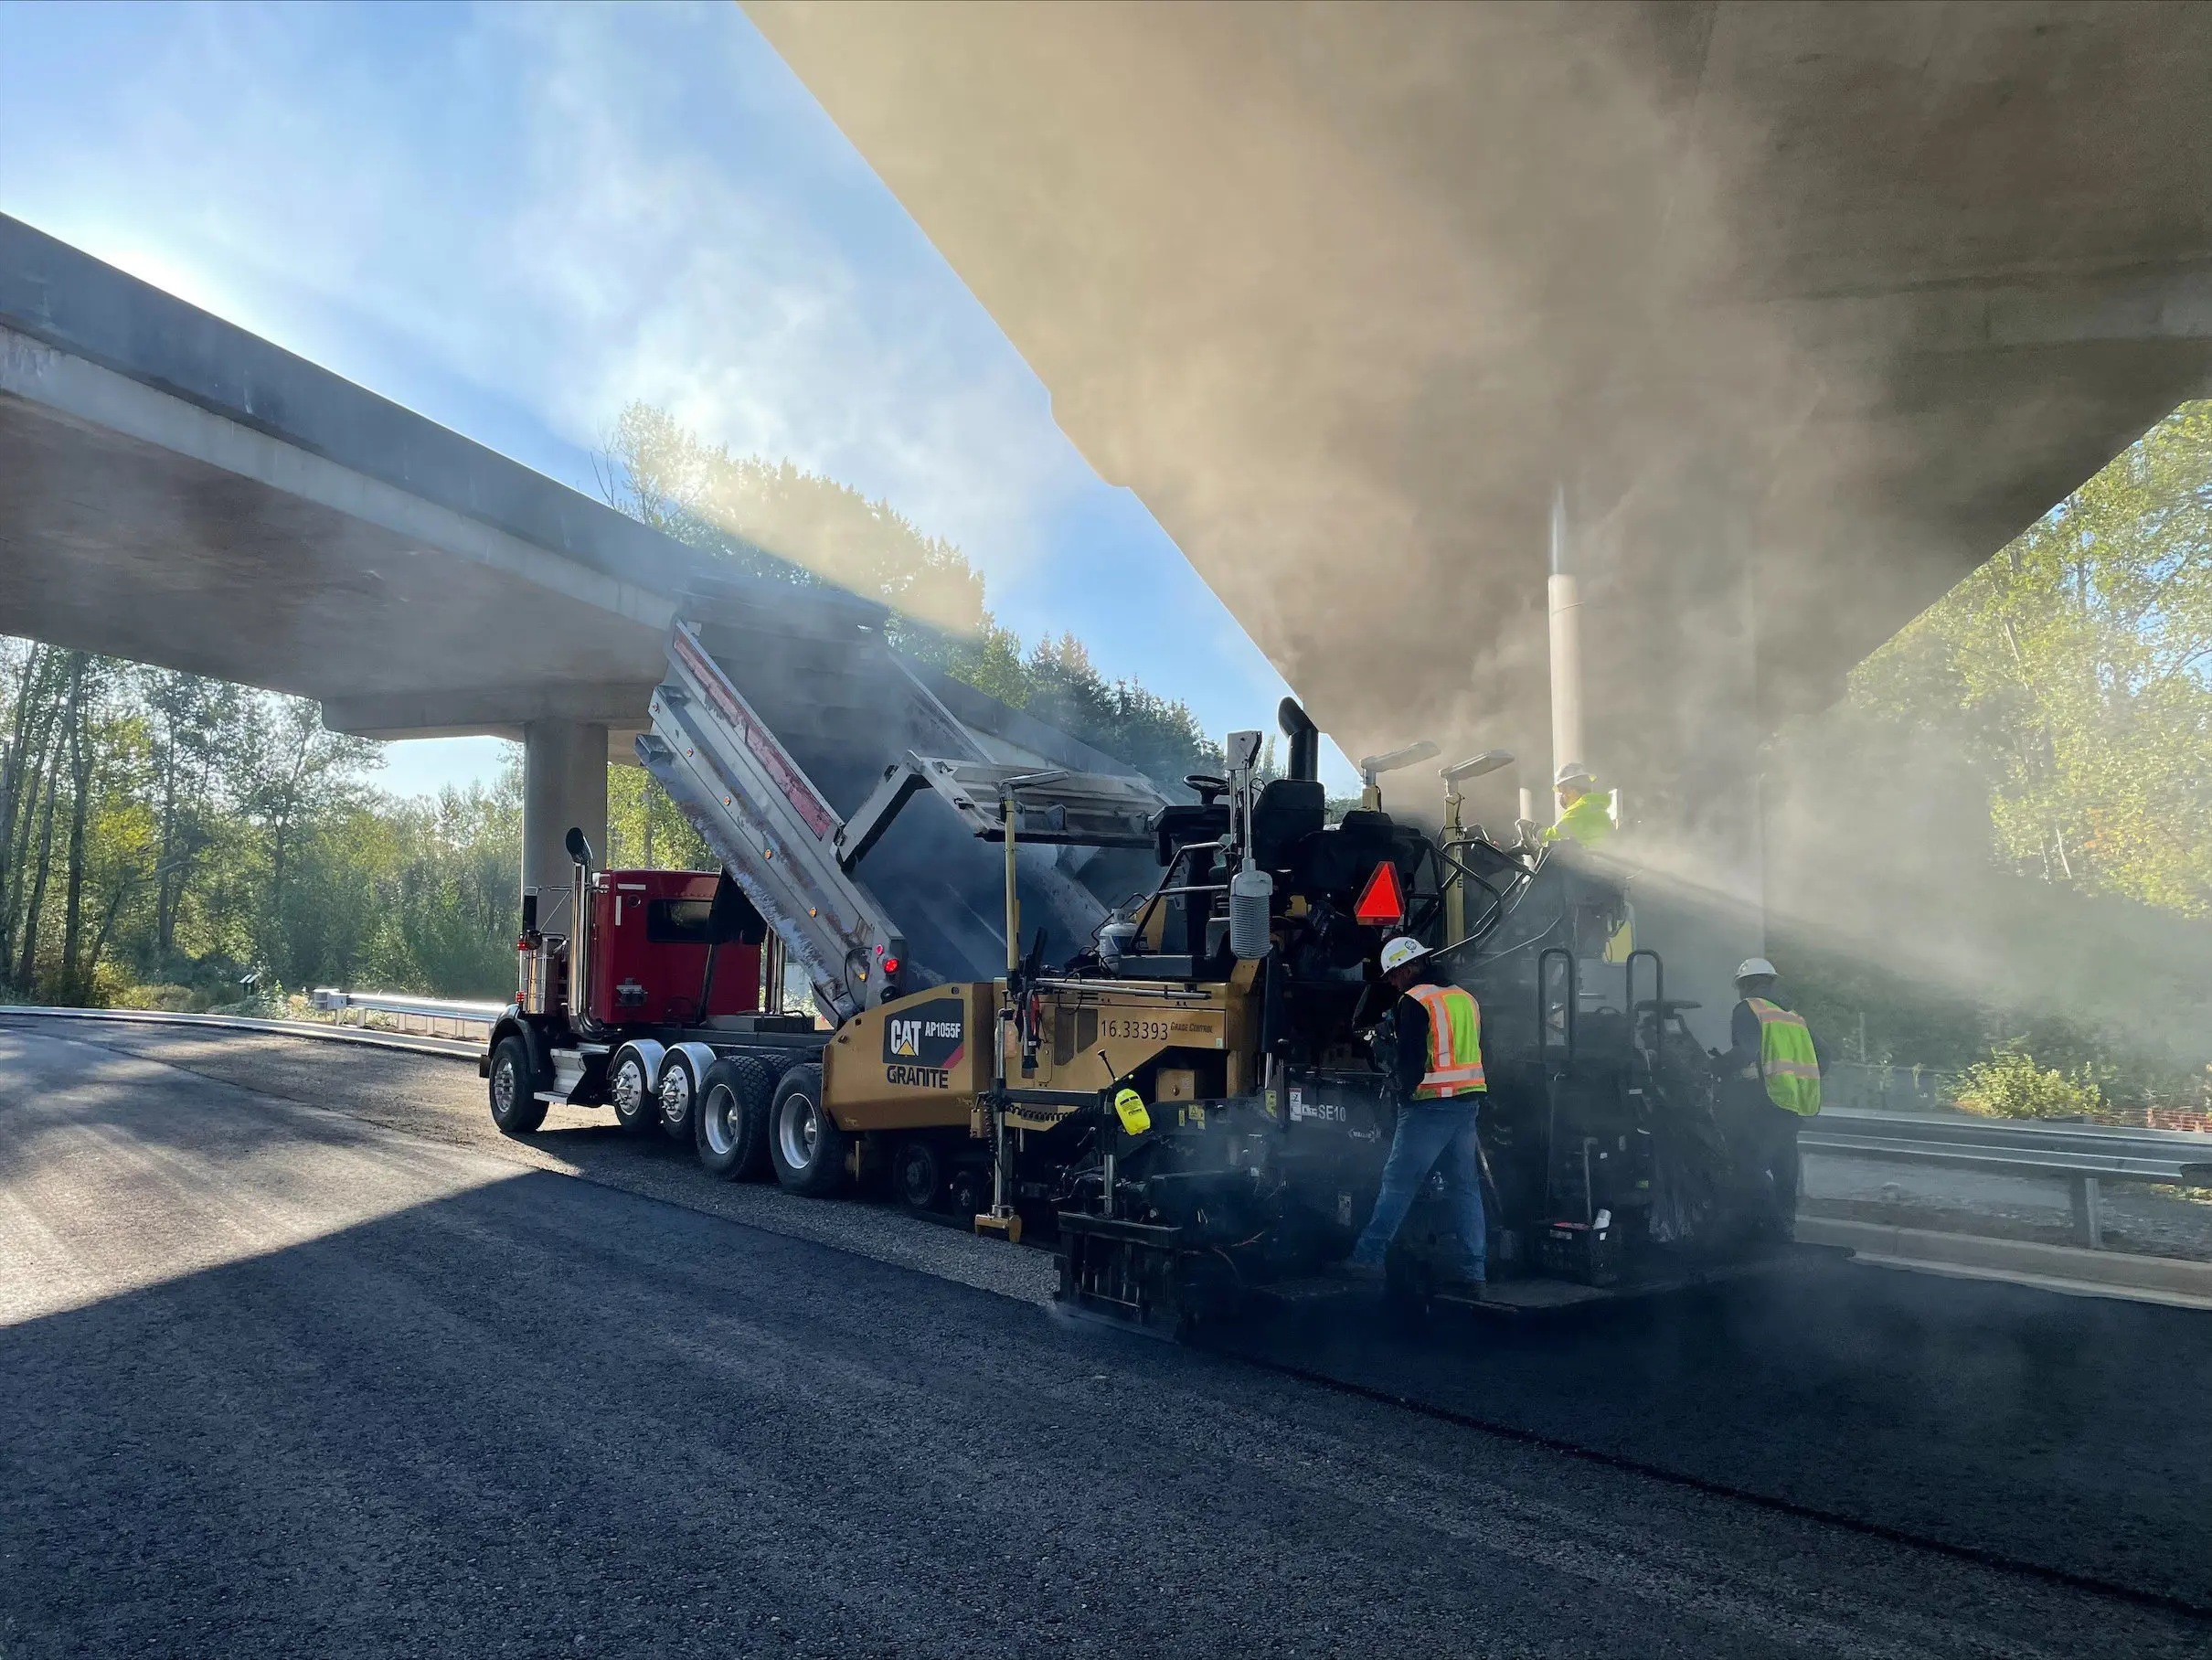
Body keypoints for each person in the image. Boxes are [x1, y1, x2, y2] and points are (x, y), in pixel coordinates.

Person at [1340, 936, 1489, 1285]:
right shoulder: (1466, 998)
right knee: (1465, 1187)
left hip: (1428, 1107)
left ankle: (1367, 1257)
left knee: (1398, 1183)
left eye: (1393, 975)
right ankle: (1473, 1268)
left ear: (1408, 969)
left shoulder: (1415, 1001)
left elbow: (1411, 1064)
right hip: (1467, 1102)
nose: (1393, 982)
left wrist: (1397, 1085)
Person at [1719, 956, 1823, 1235]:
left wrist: (1713, 1067)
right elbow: (1824, 1055)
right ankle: (1786, 1221)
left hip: (1761, 1102)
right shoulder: (1793, 1016)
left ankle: (1763, 1222)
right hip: (1792, 1101)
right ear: (1772, 982)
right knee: (1784, 1161)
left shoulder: (1748, 1008)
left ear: (1744, 985)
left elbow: (1746, 1052)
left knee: (1746, 1163)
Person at [1542, 762, 1615, 849]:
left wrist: (1536, 832)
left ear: (1570, 789)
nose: (1562, 796)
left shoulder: (1577, 810)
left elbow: (1553, 837)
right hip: (1602, 858)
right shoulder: (1597, 806)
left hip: (1588, 860)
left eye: (1562, 790)